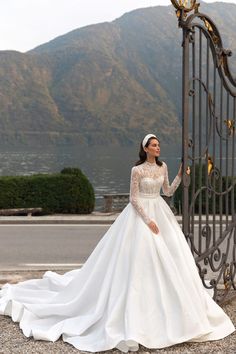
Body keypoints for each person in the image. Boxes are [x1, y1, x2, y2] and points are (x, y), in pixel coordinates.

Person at [0, 133, 235, 352]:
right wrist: (148, 221)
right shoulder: (137, 170)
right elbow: (133, 199)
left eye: (158, 144)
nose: (158, 147)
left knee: (168, 257)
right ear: (145, 149)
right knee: (136, 260)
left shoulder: (162, 166)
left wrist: (181, 175)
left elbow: (168, 192)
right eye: (154, 144)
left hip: (160, 211)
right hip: (142, 215)